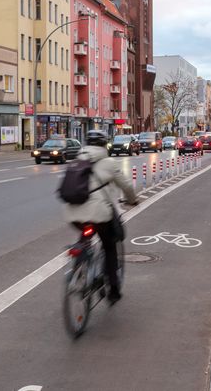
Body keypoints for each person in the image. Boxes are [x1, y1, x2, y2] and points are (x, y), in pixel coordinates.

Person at [64, 130, 137, 305]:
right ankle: (113, 290)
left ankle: (80, 267)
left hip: (73, 214)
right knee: (110, 246)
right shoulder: (109, 162)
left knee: (85, 237)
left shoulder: (77, 160)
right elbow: (126, 186)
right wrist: (132, 200)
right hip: (99, 214)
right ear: (104, 145)